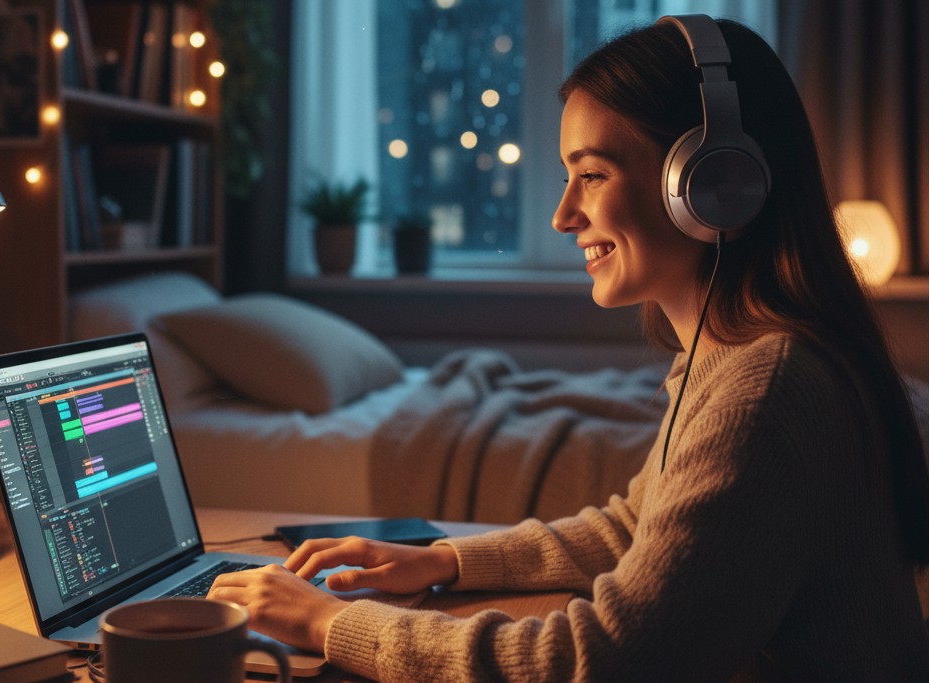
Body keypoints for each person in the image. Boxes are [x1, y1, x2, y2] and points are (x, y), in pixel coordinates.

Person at [208, 16, 929, 682]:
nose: (562, 215)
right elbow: (633, 527)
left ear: (712, 183)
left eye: (591, 174)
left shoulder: (766, 392)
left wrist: (329, 619)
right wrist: (440, 561)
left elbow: (600, 660)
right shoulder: (737, 360)